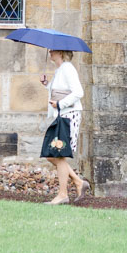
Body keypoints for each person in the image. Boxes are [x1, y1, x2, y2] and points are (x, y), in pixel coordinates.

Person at [40, 49, 90, 204]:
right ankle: (78, 182)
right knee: (52, 154)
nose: (50, 52)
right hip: (62, 116)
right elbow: (59, 91)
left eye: (53, 50)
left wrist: (60, 104)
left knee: (58, 154)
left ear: (61, 53)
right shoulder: (60, 70)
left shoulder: (68, 68)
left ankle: (63, 194)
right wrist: (47, 84)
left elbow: (78, 92)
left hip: (69, 116)